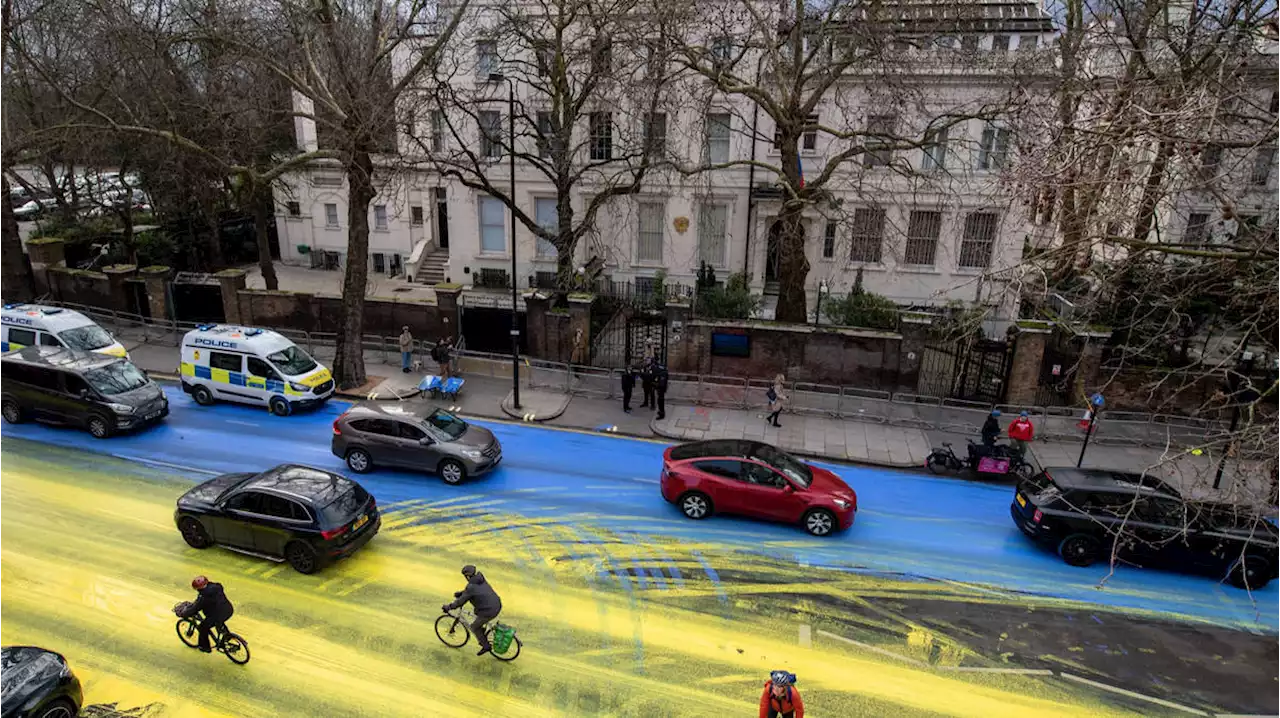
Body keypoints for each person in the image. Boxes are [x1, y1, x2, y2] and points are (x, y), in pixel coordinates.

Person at [442, 565, 503, 656]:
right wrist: (462, 593)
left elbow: (460, 602)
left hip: (489, 611)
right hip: (496, 604)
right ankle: (482, 633)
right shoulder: (480, 578)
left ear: (467, 576)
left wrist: (449, 607)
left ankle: (486, 646)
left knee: (474, 627)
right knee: (477, 616)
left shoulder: (471, 587)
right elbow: (473, 590)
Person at [175, 575, 234, 653]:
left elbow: (195, 608)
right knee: (219, 622)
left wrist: (184, 613)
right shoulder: (216, 587)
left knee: (202, 628)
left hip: (217, 615)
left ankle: (205, 647)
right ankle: (227, 636)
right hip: (228, 610)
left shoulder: (204, 597)